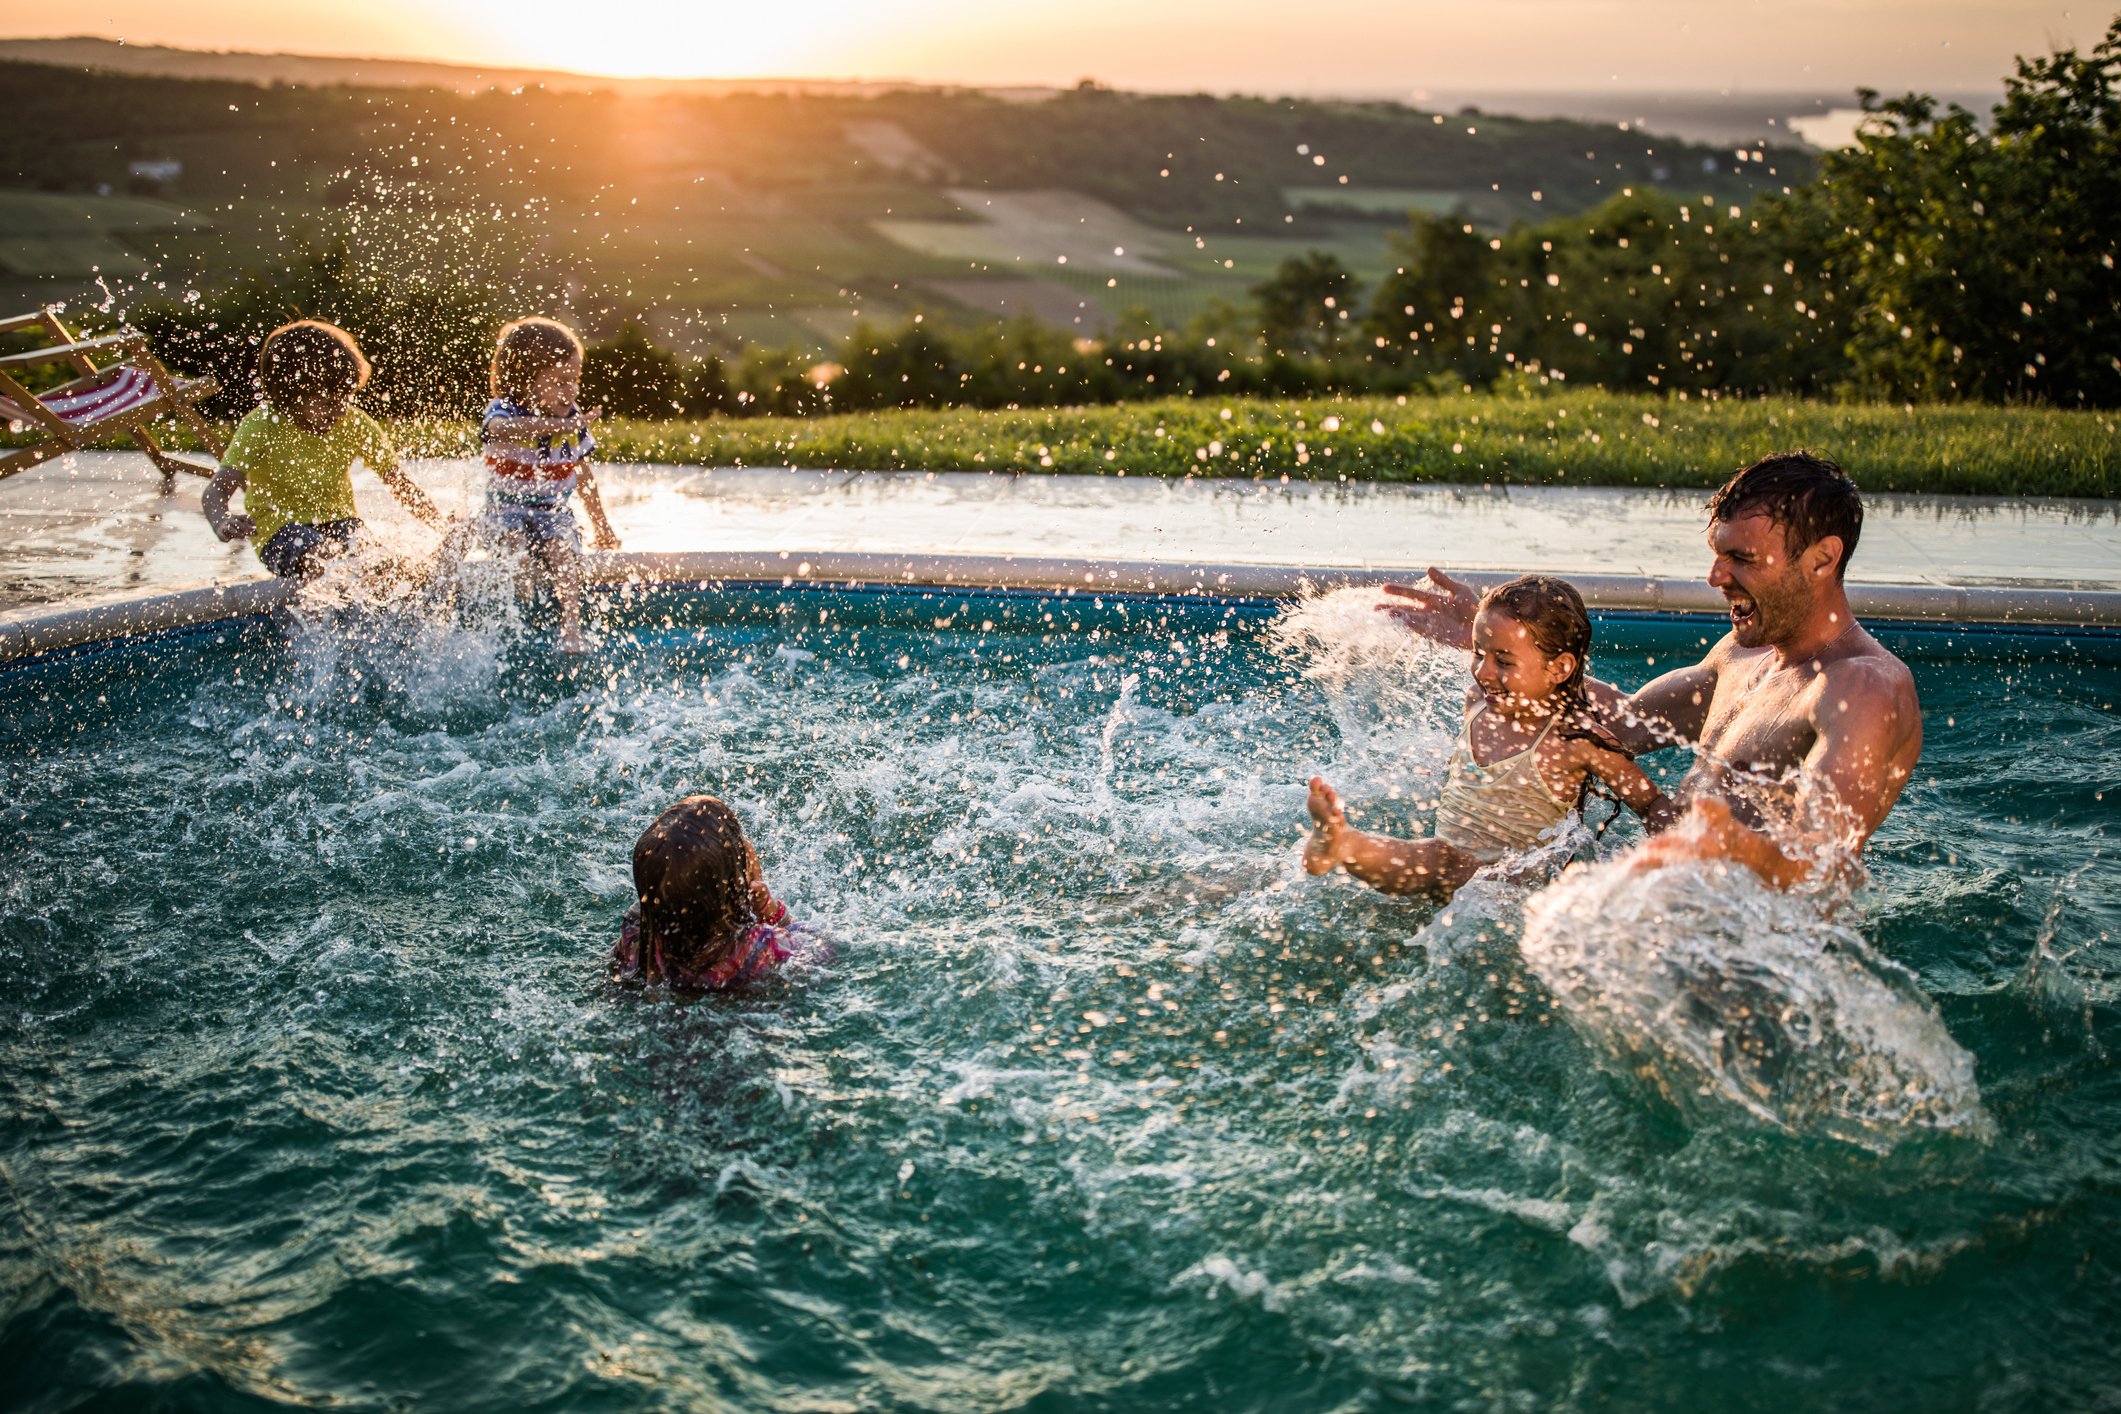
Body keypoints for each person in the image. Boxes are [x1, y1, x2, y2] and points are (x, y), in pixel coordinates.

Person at [1380, 452, 1922, 888]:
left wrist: (1718, 843)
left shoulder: (1863, 687)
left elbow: (1820, 864)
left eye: (1743, 559)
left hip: (1749, 970)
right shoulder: (1741, 656)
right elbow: (1622, 726)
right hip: (1661, 914)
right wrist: (1511, 653)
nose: (1716, 576)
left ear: (1823, 559)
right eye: (1719, 554)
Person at [1306, 574, 1676, 899]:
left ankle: (1345, 844)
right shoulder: (1478, 704)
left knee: (1445, 862)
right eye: (1479, 653)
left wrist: (1668, 862)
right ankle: (1346, 846)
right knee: (1445, 861)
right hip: (1454, 871)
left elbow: (1651, 804)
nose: (1483, 671)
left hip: (1514, 891)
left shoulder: (1574, 740)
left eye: (1503, 661)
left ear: (1559, 667)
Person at [200, 320, 444, 578]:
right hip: (279, 531)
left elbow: (400, 484)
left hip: (342, 523)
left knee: (377, 563)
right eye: (328, 402)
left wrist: (441, 526)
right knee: (322, 555)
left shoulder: (355, 423)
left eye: (346, 398)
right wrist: (222, 521)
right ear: (290, 395)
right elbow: (215, 491)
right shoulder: (262, 426)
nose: (339, 411)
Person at [474, 317, 620, 652]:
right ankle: (518, 629)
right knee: (516, 552)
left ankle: (570, 628)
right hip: (505, 509)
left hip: (552, 510)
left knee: (563, 554)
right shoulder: (505, 410)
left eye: (575, 380)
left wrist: (602, 527)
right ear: (526, 381)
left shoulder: (573, 418)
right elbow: (498, 431)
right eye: (560, 381)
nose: (571, 391)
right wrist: (553, 425)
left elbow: (584, 477)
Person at [611, 795, 806, 991]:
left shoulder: (636, 934)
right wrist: (770, 911)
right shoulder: (760, 947)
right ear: (733, 884)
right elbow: (818, 951)